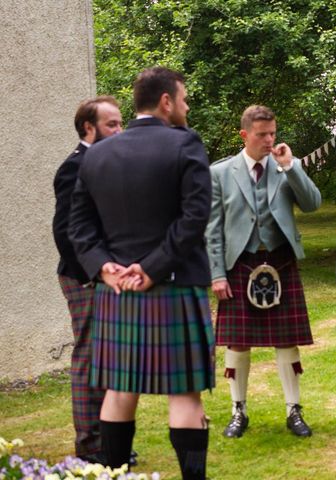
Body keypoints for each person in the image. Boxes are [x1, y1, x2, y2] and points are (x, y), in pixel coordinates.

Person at [68, 67, 215, 480]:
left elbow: (78, 226)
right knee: (184, 394)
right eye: (183, 99)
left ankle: (114, 475)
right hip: (174, 285)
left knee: (118, 391)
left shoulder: (96, 153)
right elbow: (194, 217)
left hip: (118, 293)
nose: (186, 107)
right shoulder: (185, 144)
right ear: (166, 101)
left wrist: (104, 267)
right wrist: (152, 269)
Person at [206, 104, 321, 439]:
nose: (269, 140)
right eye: (261, 135)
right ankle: (238, 410)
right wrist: (217, 273)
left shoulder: (285, 166)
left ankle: (294, 410)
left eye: (272, 133)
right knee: (237, 343)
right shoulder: (220, 173)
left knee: (287, 341)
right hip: (240, 263)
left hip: (280, 260)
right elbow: (213, 229)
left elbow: (313, 203)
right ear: (244, 135)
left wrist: (291, 168)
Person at [52, 96, 122, 463]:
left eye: (120, 123)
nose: (120, 131)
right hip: (84, 277)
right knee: (89, 356)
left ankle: (110, 442)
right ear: (88, 129)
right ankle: (90, 446)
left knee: (109, 357)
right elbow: (64, 232)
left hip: (107, 277)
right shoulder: (74, 168)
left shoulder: (106, 165)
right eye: (112, 125)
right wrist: (93, 273)